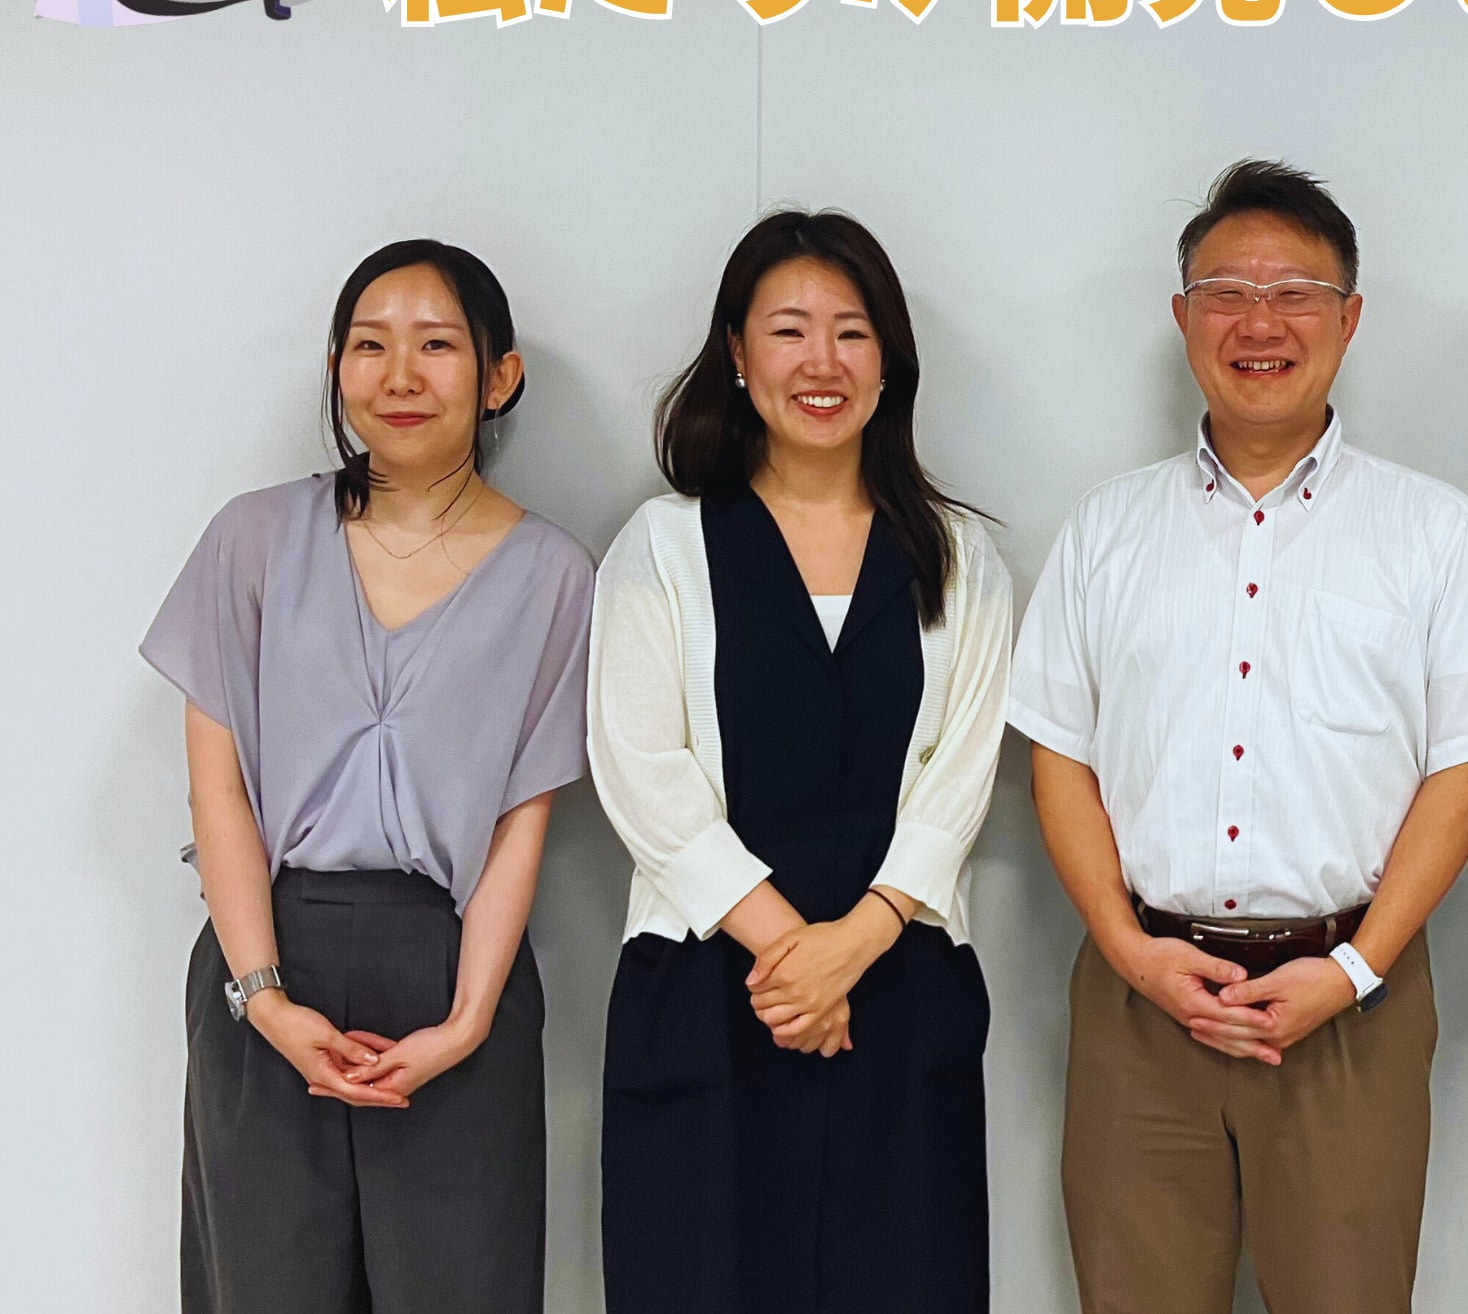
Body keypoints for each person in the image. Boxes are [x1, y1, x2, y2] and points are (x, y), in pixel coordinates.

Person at [1010, 160, 1468, 1314]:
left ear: (1348, 320)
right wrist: (1128, 949)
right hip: (1141, 1000)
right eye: (1226, 294)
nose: (1260, 324)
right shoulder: (1106, 529)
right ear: (1182, 318)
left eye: (1296, 294)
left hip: (1354, 1000)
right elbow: (1059, 758)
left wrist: (1352, 971)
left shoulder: (1431, 530)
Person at [141, 239, 595, 1313]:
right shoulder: (253, 537)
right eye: (369, 345)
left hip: (454, 967)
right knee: (266, 1286)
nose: (399, 376)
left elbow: (521, 821)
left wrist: (469, 1020)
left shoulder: (555, 575)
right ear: (336, 366)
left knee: (463, 1287)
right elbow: (219, 793)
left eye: (436, 346)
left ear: (499, 375)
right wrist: (263, 998)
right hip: (267, 959)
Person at [590, 209, 1012, 1314]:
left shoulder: (959, 555)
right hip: (708, 987)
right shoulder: (664, 546)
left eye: (852, 332)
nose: (821, 362)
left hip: (899, 988)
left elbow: (960, 779)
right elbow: (640, 769)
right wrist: (795, 958)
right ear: (737, 353)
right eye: (788, 330)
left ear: (889, 361)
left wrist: (852, 947)